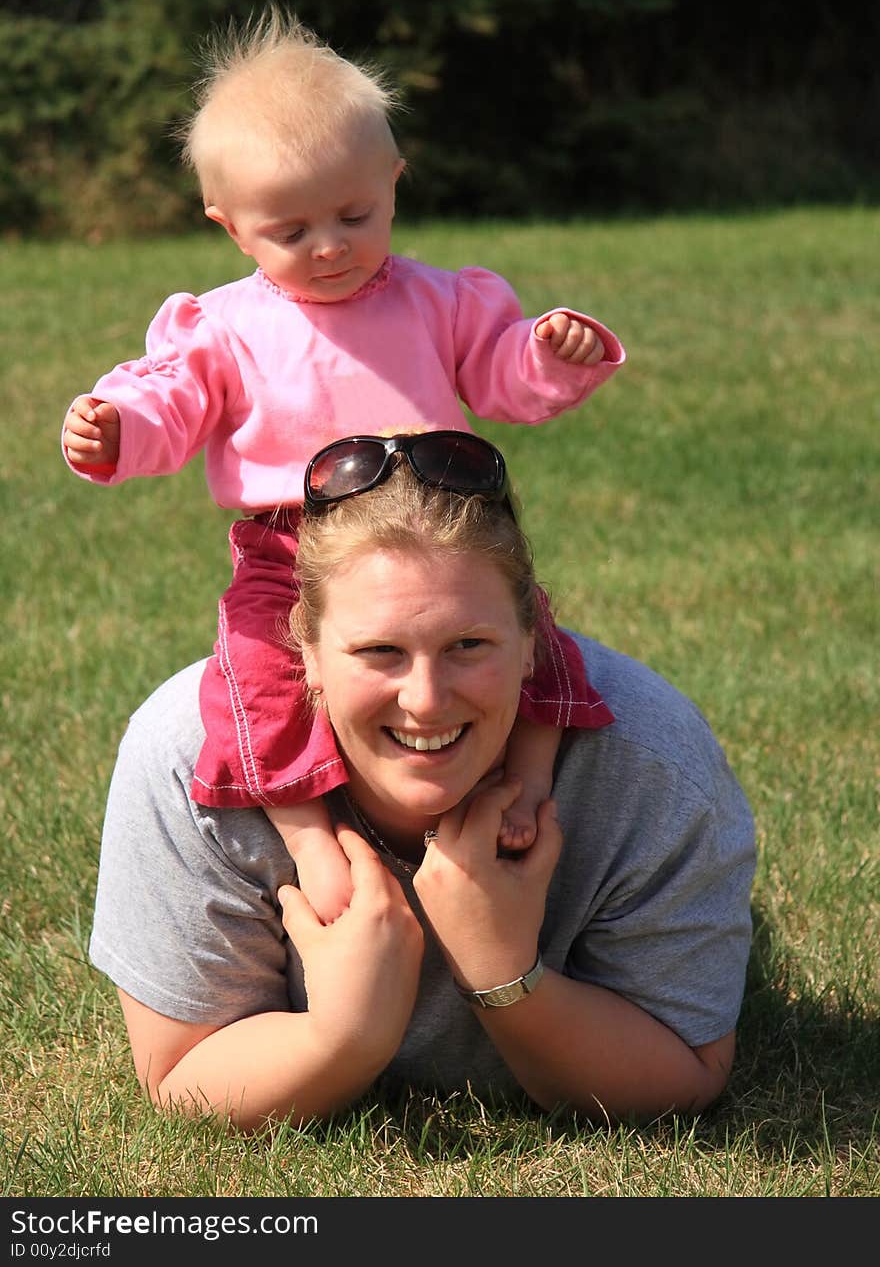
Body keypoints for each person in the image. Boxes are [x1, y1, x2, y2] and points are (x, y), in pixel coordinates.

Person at [61, 6, 625, 924]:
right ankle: (307, 833)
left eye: (355, 215)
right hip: (294, 541)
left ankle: (522, 782)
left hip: (438, 520)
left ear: (394, 184)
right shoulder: (226, 327)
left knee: (529, 636)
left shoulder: (442, 301)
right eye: (290, 229)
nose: (328, 244)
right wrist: (119, 426)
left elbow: (503, 375)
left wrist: (550, 356)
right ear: (231, 227)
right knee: (256, 670)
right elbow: (172, 399)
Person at [89, 433, 756, 1132]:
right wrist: (342, 1037)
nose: (426, 699)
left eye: (468, 646)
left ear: (534, 641)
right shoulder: (188, 759)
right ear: (305, 651)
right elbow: (177, 1073)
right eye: (380, 651)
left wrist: (504, 974)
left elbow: (691, 1067)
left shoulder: (649, 764)